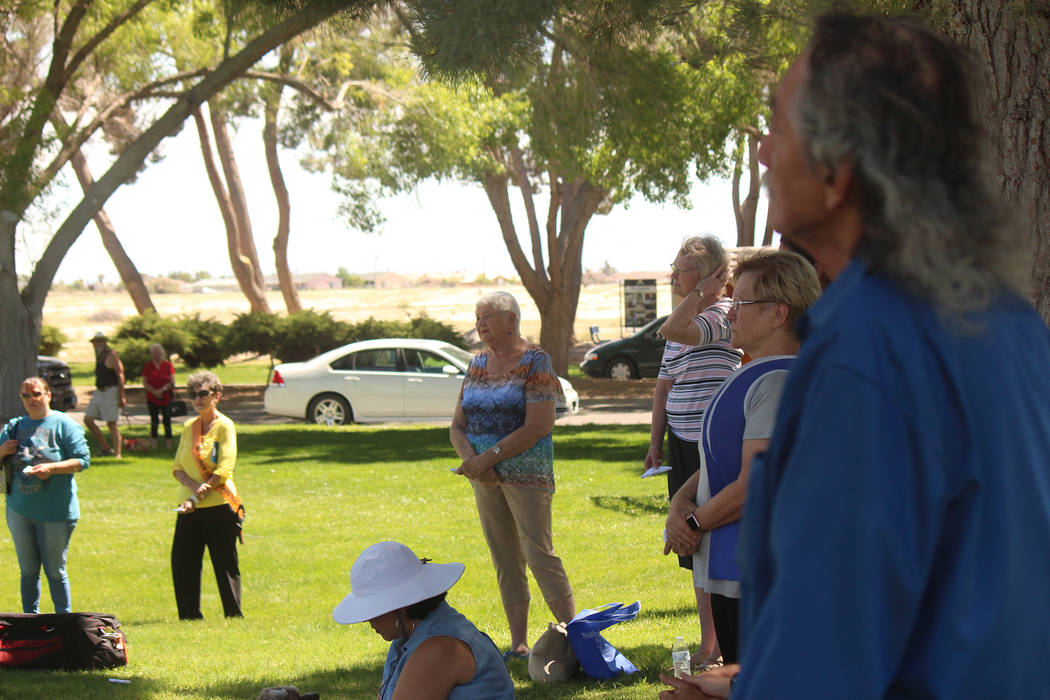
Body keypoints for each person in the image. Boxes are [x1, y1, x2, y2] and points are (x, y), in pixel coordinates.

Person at [661, 12, 1050, 700]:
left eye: (777, 127)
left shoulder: (864, 358)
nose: (761, 152)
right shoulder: (1009, 324)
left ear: (837, 171)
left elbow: (826, 659)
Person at [663, 249, 821, 665]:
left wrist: (693, 523)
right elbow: (718, 459)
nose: (729, 313)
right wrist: (680, 502)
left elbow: (756, 484)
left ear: (778, 314)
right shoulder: (756, 374)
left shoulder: (779, 381)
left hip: (760, 579)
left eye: (740, 303)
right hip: (733, 575)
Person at [450, 291, 575, 659]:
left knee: (539, 553)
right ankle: (518, 643)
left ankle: (577, 637)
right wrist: (472, 461)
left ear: (511, 320)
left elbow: (540, 424)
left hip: (526, 475)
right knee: (504, 557)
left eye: (488, 315)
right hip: (484, 477)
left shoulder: (537, 360)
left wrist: (489, 457)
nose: (481, 323)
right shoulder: (475, 363)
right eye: (477, 316)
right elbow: (457, 425)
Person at [647, 235, 742, 667]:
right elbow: (664, 385)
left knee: (706, 539)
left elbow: (673, 329)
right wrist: (655, 443)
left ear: (708, 275)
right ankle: (710, 642)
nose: (673, 274)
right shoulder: (687, 314)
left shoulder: (723, 315)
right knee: (689, 546)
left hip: (714, 450)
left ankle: (719, 644)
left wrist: (706, 293)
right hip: (682, 446)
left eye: (681, 267)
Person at [332, 541, 514, 699]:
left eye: (374, 609)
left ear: (400, 605)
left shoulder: (438, 649)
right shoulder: (410, 636)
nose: (367, 620)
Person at [1, 377, 90, 613]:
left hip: (56, 512)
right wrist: (1, 451)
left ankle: (64, 622)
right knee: (28, 570)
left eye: (36, 394)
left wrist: (52, 468)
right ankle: (30, 625)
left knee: (54, 569)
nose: (32, 399)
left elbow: (83, 460)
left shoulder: (63, 424)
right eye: (26, 395)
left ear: (48, 395)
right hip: (19, 509)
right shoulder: (13, 427)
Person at [170, 371, 244, 619]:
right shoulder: (189, 427)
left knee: (225, 563)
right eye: (194, 395)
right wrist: (192, 489)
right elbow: (177, 467)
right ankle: (189, 616)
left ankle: (233, 614)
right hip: (189, 506)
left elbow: (224, 468)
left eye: (203, 394)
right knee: (183, 562)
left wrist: (200, 492)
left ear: (217, 396)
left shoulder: (225, 425)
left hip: (219, 505)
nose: (198, 399)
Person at [83, 331, 125, 458]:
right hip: (99, 391)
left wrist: (121, 395)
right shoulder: (99, 355)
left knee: (111, 423)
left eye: (99, 341)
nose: (96, 344)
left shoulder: (111, 355)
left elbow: (120, 375)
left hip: (111, 391)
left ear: (104, 342)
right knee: (88, 419)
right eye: (95, 342)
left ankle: (118, 453)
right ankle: (106, 447)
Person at [143, 342, 176, 451]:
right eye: (154, 352)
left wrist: (162, 390)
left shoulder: (168, 365)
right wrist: (154, 392)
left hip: (166, 397)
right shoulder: (148, 366)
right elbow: (145, 382)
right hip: (152, 397)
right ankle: (154, 445)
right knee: (154, 421)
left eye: (158, 352)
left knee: (167, 420)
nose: (156, 354)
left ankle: (168, 445)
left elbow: (172, 381)